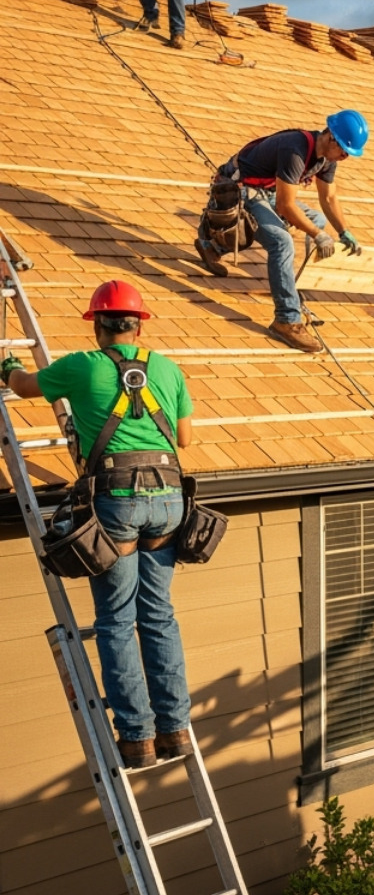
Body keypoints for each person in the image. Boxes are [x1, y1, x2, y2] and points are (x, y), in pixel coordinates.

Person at [2, 281, 195, 771]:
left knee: (116, 620)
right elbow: (185, 439)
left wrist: (7, 366)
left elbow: (23, 386)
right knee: (158, 615)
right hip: (169, 502)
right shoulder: (168, 369)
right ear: (139, 325)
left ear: (97, 325)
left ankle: (137, 738)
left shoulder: (82, 366)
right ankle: (175, 730)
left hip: (118, 501)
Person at [197, 111, 368, 353]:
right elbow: (285, 206)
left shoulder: (326, 158)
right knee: (281, 243)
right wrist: (318, 235)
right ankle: (287, 320)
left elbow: (329, 197)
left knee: (316, 219)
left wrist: (343, 232)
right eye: (344, 150)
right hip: (241, 189)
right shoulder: (295, 150)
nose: (345, 157)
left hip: (267, 191)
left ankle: (213, 246)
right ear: (331, 137)